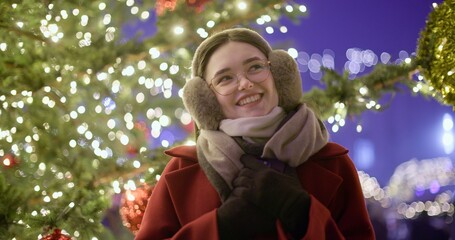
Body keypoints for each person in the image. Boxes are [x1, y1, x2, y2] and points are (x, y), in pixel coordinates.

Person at [135, 27, 375, 240]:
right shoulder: (181, 171)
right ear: (205, 100)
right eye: (225, 78)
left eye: (256, 67)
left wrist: (302, 213)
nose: (245, 83)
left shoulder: (333, 163)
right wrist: (220, 227)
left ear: (279, 76)